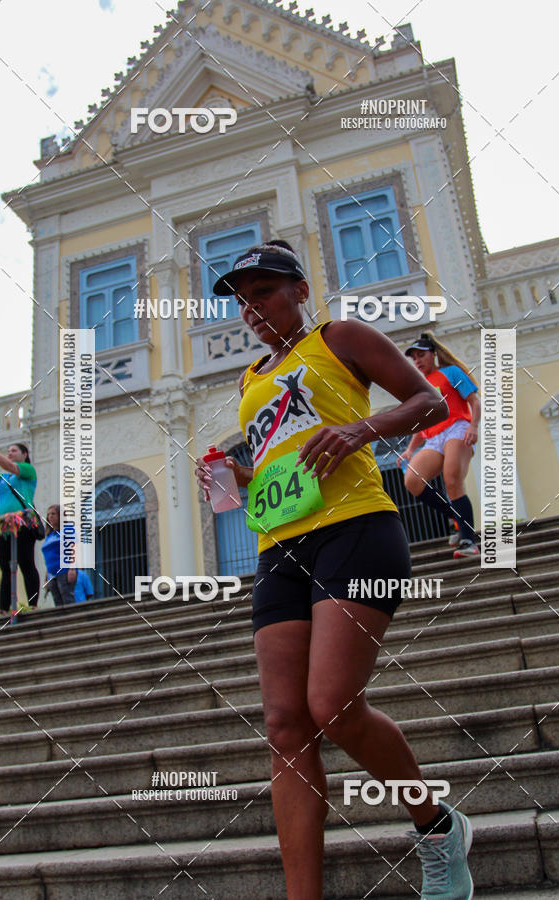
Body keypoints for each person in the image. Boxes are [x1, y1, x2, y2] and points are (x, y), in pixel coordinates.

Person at [195, 241, 474, 900]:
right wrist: (233, 475)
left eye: (263, 292)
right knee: (286, 725)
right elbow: (279, 464)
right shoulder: (250, 380)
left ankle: (437, 827)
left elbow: (427, 405)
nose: (251, 308)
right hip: (279, 551)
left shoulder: (338, 335)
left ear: (298, 289)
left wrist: (361, 430)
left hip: (356, 532)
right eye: (242, 299)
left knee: (333, 708)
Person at [397, 333, 481, 559]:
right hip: (434, 437)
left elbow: (474, 400)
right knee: (412, 480)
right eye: (414, 358)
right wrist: (410, 449)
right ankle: (455, 516)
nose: (418, 361)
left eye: (421, 355)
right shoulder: (419, 386)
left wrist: (473, 426)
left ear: (433, 354)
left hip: (457, 428)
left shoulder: (451, 373)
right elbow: (423, 422)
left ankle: (468, 541)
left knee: (452, 480)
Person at [0, 442, 40, 613]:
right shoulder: (4, 478)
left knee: (27, 564)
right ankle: (4, 608)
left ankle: (33, 604)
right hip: (2, 524)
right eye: (8, 450)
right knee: (6, 567)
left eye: (14, 450)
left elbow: (9, 466)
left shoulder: (27, 470)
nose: (10, 453)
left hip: (22, 522)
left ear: (25, 454)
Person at [41, 504, 76, 606]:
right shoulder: (49, 535)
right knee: (58, 603)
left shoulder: (67, 530)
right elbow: (48, 559)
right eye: (48, 515)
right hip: (52, 575)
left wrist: (72, 569)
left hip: (64, 571)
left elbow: (73, 548)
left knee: (67, 599)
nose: (50, 516)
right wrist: (46, 579)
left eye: (53, 514)